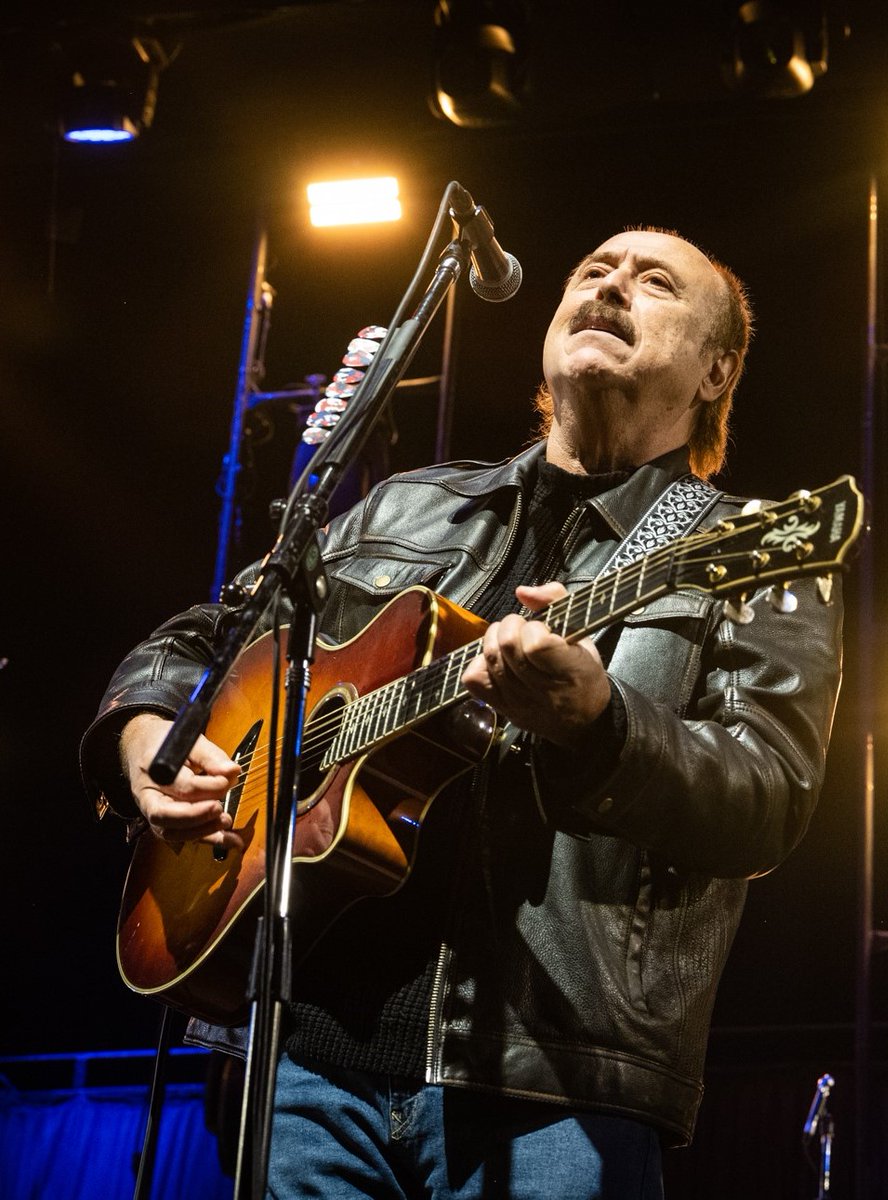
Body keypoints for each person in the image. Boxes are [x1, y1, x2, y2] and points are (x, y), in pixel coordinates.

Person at [81, 227, 845, 1199]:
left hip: (553, 1082)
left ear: (716, 371)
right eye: (593, 272)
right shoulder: (404, 507)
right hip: (302, 1067)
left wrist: (601, 723)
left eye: (654, 283)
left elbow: (765, 801)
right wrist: (149, 737)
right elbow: (203, 641)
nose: (612, 286)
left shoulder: (745, 550)